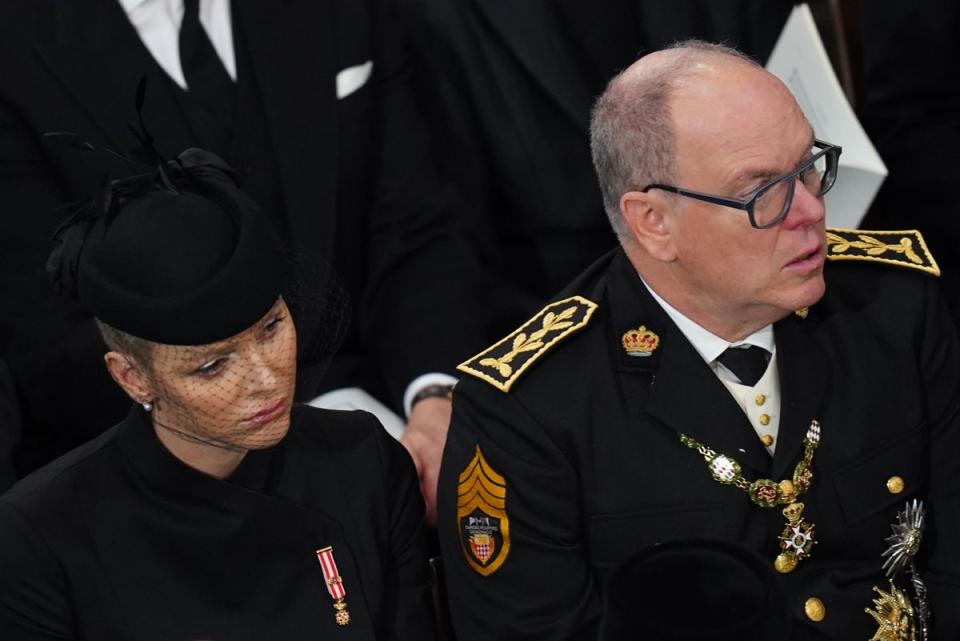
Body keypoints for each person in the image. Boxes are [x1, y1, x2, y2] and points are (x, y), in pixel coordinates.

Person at [438, 41, 960, 640]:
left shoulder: (892, 308)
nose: (812, 209)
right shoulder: (528, 413)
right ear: (652, 222)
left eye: (808, 167)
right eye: (762, 191)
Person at [0, 0, 482, 514]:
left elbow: (417, 224)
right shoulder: (16, 45)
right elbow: (47, 328)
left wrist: (436, 397)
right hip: (169, 480)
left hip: (388, 404)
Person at [0, 151, 437, 640]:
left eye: (272, 327)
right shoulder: (42, 539)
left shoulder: (363, 462)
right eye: (211, 366)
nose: (267, 379)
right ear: (132, 377)